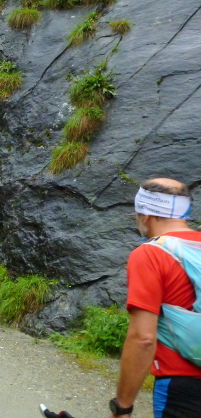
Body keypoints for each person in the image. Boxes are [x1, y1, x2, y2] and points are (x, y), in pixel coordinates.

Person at [109, 178, 201, 418]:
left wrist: (122, 407)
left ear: (145, 214)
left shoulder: (150, 254)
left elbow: (143, 339)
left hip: (182, 386)